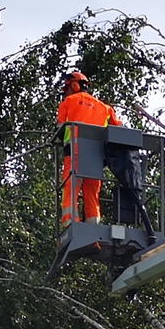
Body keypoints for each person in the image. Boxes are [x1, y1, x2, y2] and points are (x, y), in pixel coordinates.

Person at [56, 70, 124, 227]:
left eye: (66, 89)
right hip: (96, 157)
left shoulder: (68, 102)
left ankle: (70, 222)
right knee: (92, 192)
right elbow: (120, 129)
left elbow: (60, 129)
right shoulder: (105, 108)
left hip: (74, 152)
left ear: (74, 85)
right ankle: (93, 225)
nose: (65, 93)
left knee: (71, 187)